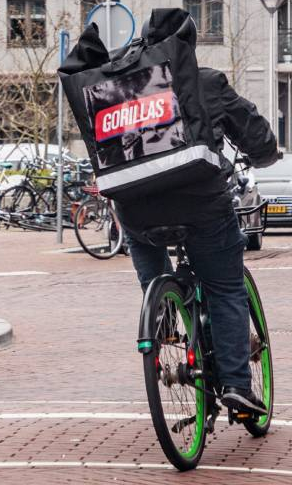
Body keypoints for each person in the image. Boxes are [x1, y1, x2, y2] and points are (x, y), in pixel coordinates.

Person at [115, 65, 279, 417]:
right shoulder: (206, 81)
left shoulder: (121, 90)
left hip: (138, 209)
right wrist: (265, 154)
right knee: (225, 285)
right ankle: (237, 385)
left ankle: (164, 310)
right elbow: (254, 132)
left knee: (144, 246)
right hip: (201, 205)